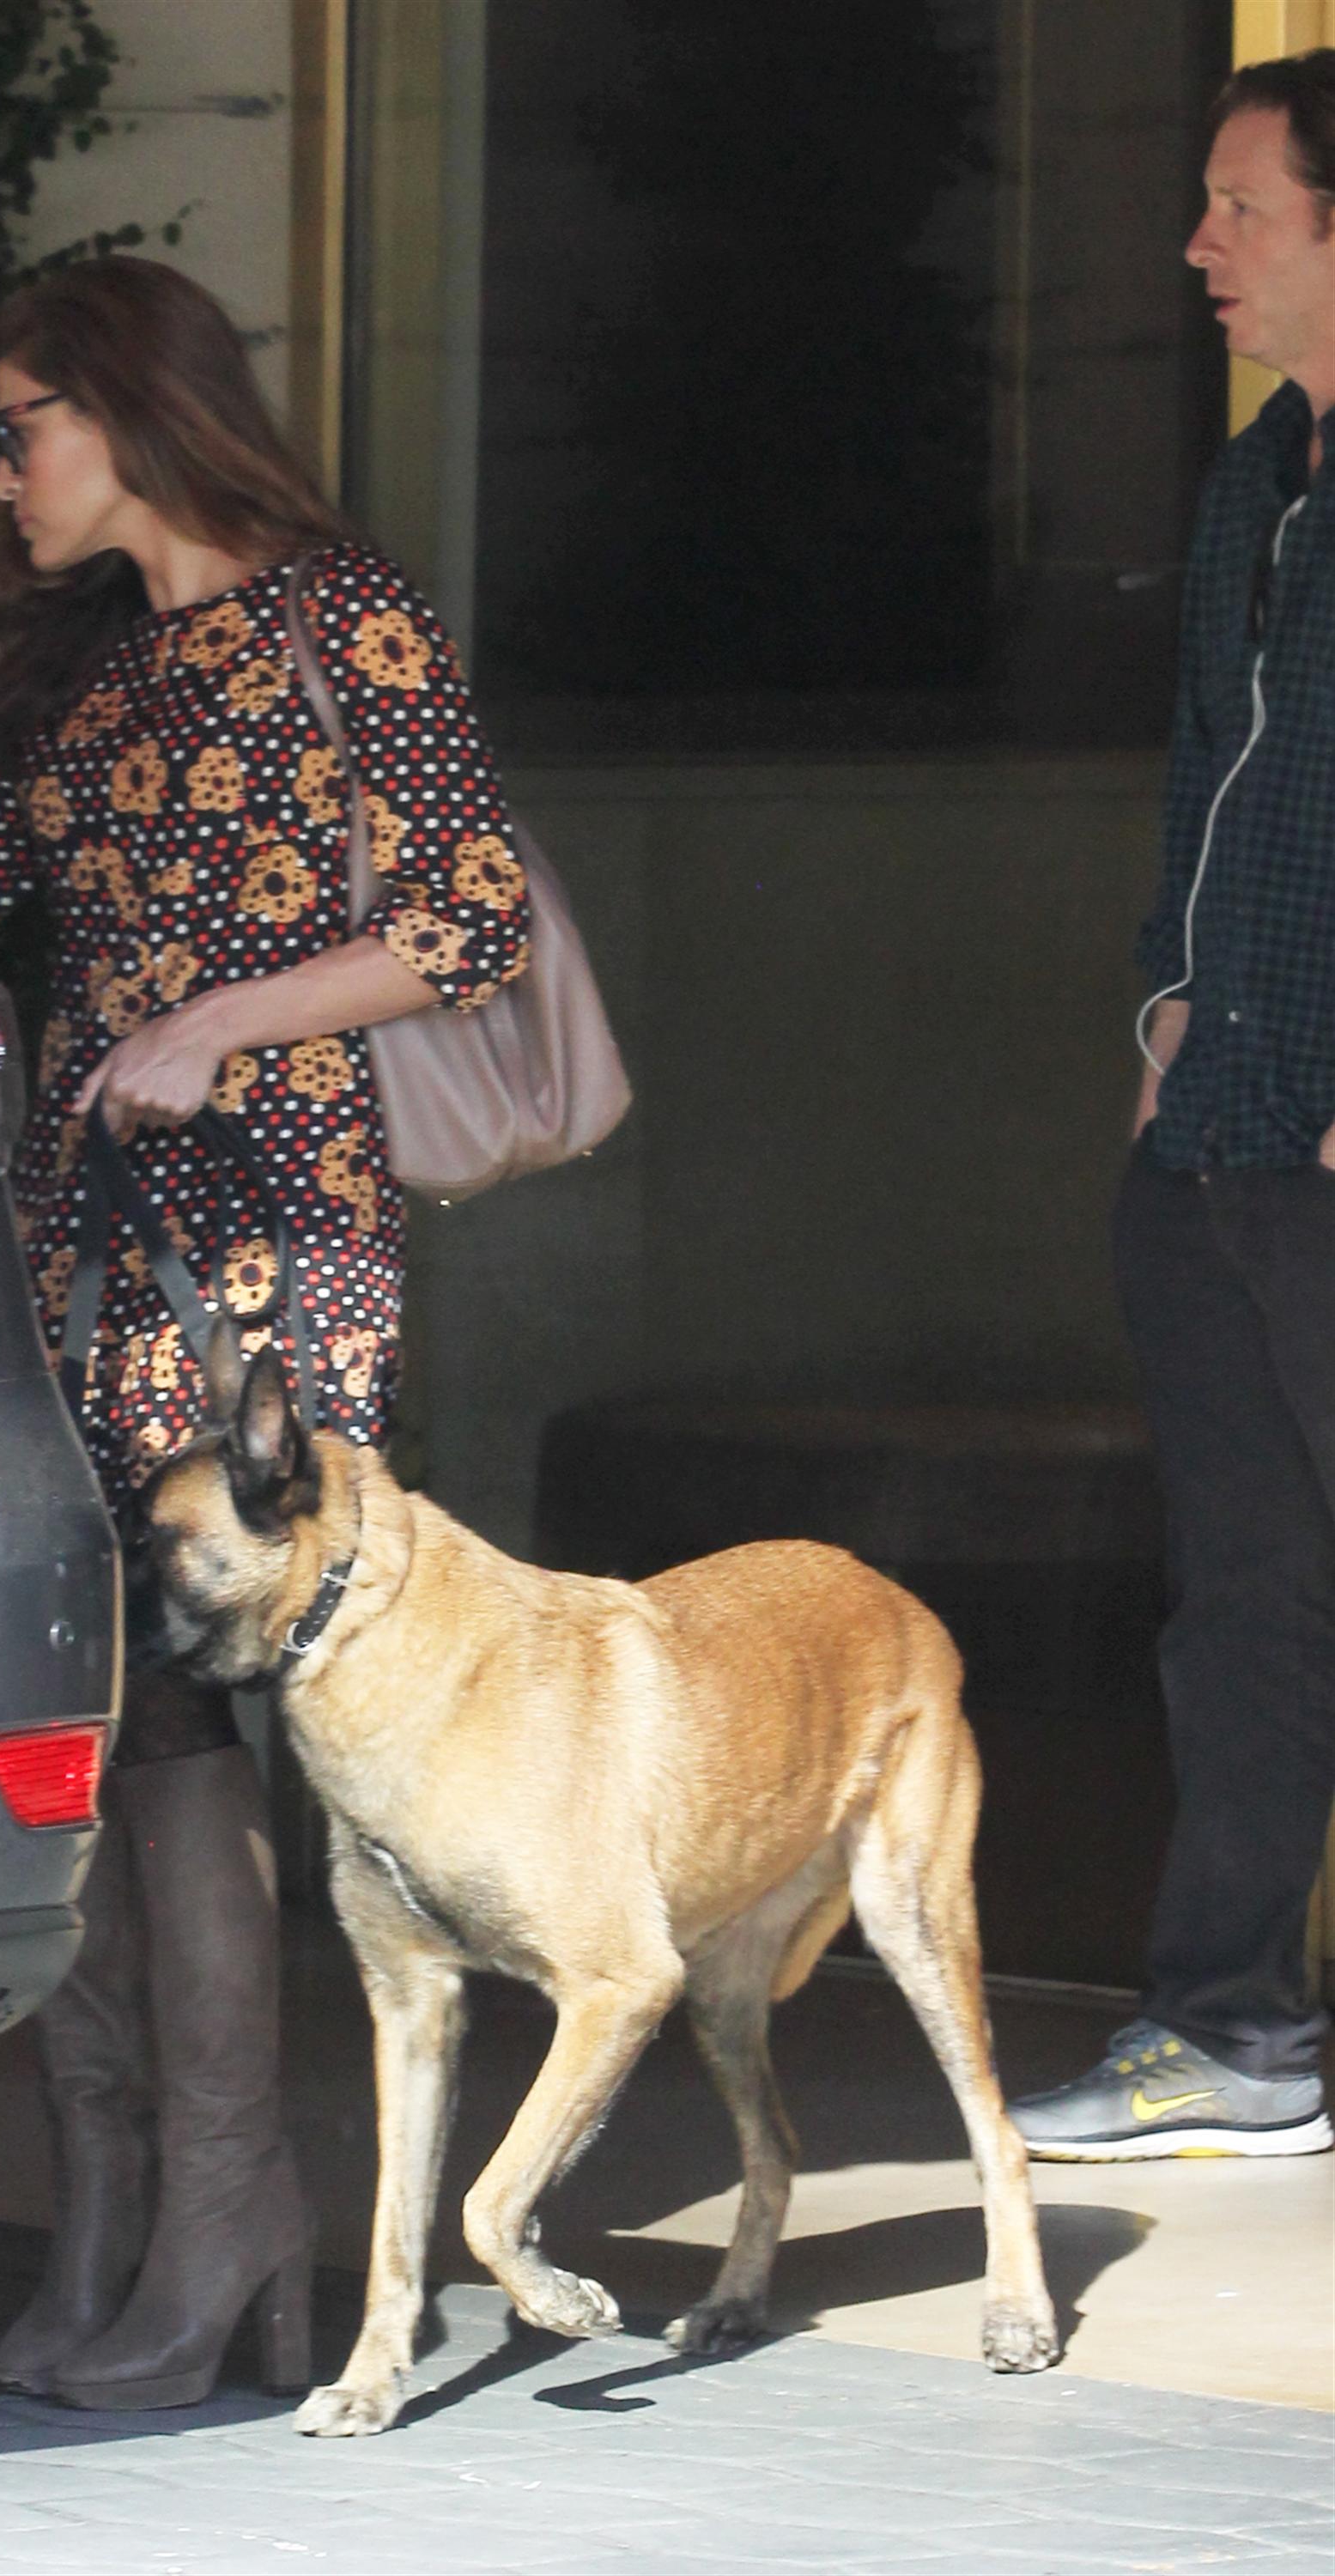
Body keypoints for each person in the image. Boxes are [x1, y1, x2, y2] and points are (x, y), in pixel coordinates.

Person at [0, 255, 531, 2402]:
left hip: (272, 1239)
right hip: (79, 1232)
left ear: (141, 415)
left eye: (27, 423)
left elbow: (472, 913)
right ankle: (125, 2201)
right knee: (115, 1697)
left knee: (231, 1699)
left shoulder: (350, 619)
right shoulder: (56, 665)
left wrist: (224, 1013)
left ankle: (234, 2196)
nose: (0, 471)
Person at [1010, 52, 1335, 2163]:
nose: (1196, 245)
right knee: (1242, 1608)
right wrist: (1161, 1009)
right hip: (1212, 1132)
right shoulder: (1253, 485)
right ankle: (1235, 2035)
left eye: (1239, 205)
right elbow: (1193, 788)